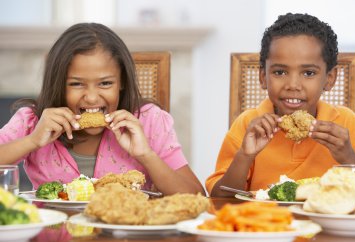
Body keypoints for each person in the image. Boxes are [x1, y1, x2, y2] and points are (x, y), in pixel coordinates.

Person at [0, 23, 205, 196]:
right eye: (76, 84)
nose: (91, 97)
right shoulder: (33, 122)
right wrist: (32, 141)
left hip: (126, 239)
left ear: (121, 82)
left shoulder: (149, 120)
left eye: (105, 83)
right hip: (54, 238)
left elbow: (198, 197)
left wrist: (146, 154)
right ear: (58, 84)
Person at [206, 13, 355, 196]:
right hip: (266, 222)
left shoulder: (348, 125)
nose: (293, 85)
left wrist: (348, 157)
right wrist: (245, 156)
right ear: (263, 77)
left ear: (329, 79)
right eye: (280, 72)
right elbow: (219, 198)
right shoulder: (248, 125)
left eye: (308, 73)